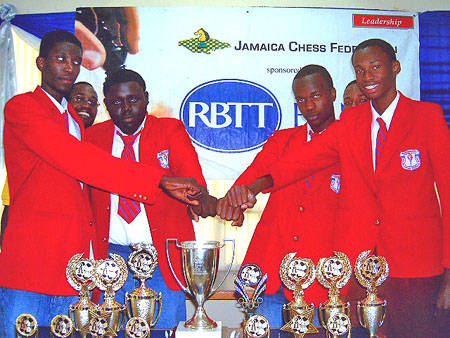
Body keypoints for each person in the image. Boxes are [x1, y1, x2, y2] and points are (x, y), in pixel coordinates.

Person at [217, 38, 450, 337]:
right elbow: (300, 162)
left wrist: (449, 273)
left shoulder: (426, 116)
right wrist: (254, 187)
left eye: (375, 67)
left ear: (395, 67)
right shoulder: (352, 121)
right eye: (360, 70)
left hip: (416, 266)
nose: (368, 77)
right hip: (356, 268)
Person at [0, 30, 203, 338]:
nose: (70, 67)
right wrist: (158, 180)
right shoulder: (23, 108)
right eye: (61, 59)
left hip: (77, 270)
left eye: (76, 61)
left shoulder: (75, 121)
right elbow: (75, 159)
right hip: (32, 262)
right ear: (41, 63)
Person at [86, 69, 216, 328]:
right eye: (117, 102)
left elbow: (194, 183)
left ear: (146, 98)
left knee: (164, 331)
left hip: (161, 260)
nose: (126, 108)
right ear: (106, 105)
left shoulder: (169, 130)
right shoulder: (91, 138)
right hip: (108, 259)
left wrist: (201, 199)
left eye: (133, 100)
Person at [217, 65, 339, 326]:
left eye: (316, 96)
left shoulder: (352, 143)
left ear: (332, 94)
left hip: (322, 279)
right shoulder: (282, 140)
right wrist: (233, 201)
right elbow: (248, 180)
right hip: (269, 273)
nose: (309, 106)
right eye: (301, 100)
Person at [0, 81, 100, 249]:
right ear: (65, 103)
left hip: (85, 249)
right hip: (42, 245)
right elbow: (10, 207)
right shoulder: (42, 143)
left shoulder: (101, 147)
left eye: (92, 102)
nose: (86, 105)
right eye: (79, 98)